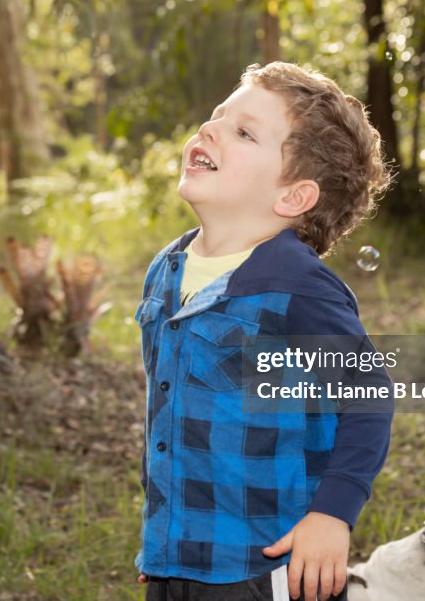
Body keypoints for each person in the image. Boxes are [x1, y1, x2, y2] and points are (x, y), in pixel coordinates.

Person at [134, 62, 394, 601]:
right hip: (180, 562)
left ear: (294, 197)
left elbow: (368, 396)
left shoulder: (299, 287)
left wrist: (332, 515)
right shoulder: (167, 269)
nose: (210, 130)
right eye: (217, 117)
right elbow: (171, 416)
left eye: (243, 132)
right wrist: (168, 537)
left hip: (266, 569)